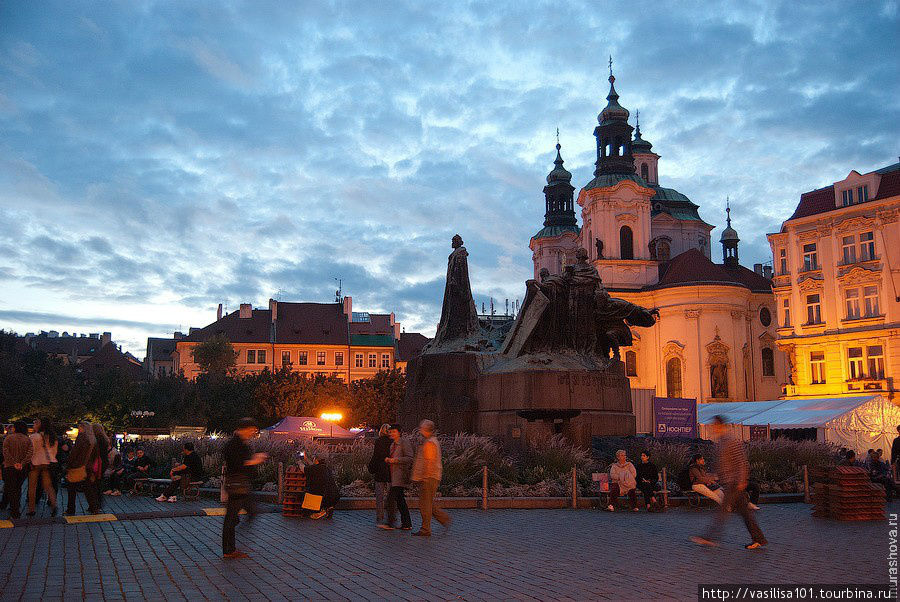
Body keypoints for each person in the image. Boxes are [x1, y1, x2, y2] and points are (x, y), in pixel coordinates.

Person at [692, 415, 767, 550]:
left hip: (734, 482)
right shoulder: (721, 442)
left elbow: (741, 462)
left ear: (720, 426)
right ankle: (759, 539)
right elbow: (723, 464)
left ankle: (709, 537)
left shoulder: (731, 441)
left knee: (722, 511)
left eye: (714, 426)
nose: (712, 429)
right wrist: (715, 476)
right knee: (744, 513)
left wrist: (742, 480)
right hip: (728, 482)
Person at [221, 418, 267, 559]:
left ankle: (230, 546)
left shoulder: (241, 443)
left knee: (241, 514)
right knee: (236, 516)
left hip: (242, 485)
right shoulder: (234, 444)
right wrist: (255, 460)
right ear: (244, 429)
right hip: (237, 485)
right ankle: (229, 549)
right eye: (252, 430)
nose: (253, 433)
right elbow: (237, 463)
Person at [411, 419, 450, 536]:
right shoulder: (431, 441)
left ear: (426, 430)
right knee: (428, 503)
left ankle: (425, 529)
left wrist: (425, 476)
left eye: (421, 428)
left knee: (425, 504)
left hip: (429, 478)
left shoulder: (430, 443)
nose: (420, 430)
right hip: (431, 477)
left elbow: (429, 462)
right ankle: (444, 519)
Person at [378, 424, 412, 531]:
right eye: (390, 431)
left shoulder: (404, 443)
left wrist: (394, 460)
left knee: (390, 499)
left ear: (399, 432)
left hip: (400, 476)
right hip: (393, 475)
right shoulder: (393, 445)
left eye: (394, 431)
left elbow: (409, 458)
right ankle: (406, 523)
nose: (391, 433)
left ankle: (390, 523)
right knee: (400, 499)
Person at [65, 421, 99, 515]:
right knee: (88, 488)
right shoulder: (93, 439)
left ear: (82, 428)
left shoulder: (81, 437)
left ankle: (71, 509)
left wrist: (69, 464)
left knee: (71, 488)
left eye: (79, 427)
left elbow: (75, 452)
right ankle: (94, 507)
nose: (78, 429)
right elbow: (95, 455)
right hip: (88, 466)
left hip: (78, 466)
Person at [27, 417, 58, 516]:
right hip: (48, 463)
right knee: (48, 486)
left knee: (32, 486)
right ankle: (54, 505)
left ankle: (31, 509)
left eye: (35, 424)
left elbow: (31, 451)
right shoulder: (53, 437)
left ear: (40, 425)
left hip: (35, 463)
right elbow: (54, 452)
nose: (34, 425)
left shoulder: (34, 437)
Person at [2, 421, 33, 519]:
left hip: (10, 466)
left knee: (11, 487)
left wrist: (13, 462)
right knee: (18, 487)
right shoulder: (27, 440)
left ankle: (14, 510)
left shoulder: (9, 438)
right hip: (22, 468)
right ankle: (16, 507)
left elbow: (5, 451)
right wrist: (22, 463)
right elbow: (30, 453)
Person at [367, 424, 392, 525]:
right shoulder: (393, 441)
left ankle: (380, 515)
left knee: (379, 496)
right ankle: (391, 515)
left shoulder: (379, 441)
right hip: (390, 470)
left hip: (380, 471)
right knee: (391, 496)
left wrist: (371, 467)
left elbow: (376, 456)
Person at [304, 455, 340, 519]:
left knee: (307, 493)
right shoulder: (326, 468)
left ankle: (321, 511)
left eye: (314, 459)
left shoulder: (315, 468)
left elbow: (303, 468)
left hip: (324, 496)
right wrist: (306, 458)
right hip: (335, 496)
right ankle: (329, 508)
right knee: (325, 493)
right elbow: (313, 466)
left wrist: (299, 462)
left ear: (316, 461)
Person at [91, 424, 110, 509]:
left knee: (95, 483)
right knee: (98, 482)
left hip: (98, 462)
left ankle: (96, 503)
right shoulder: (105, 439)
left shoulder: (97, 439)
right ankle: (98, 502)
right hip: (103, 462)